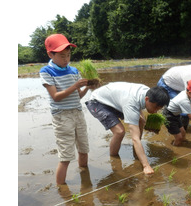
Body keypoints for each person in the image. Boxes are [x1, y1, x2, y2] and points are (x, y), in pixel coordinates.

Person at [40, 33, 95, 185]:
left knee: (84, 149)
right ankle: (62, 190)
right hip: (62, 117)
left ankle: (85, 180)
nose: (66, 59)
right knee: (65, 156)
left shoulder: (74, 71)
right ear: (51, 54)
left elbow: (78, 96)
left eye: (69, 55)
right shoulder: (46, 71)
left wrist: (87, 88)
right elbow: (56, 96)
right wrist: (75, 86)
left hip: (77, 113)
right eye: (62, 56)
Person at [85, 82, 170, 175]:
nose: (155, 111)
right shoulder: (131, 103)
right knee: (119, 131)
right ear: (147, 99)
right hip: (97, 102)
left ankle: (136, 152)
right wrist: (146, 166)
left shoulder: (147, 92)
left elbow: (139, 108)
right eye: (155, 107)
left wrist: (145, 122)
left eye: (159, 108)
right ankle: (114, 158)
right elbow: (134, 138)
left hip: (115, 100)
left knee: (140, 121)